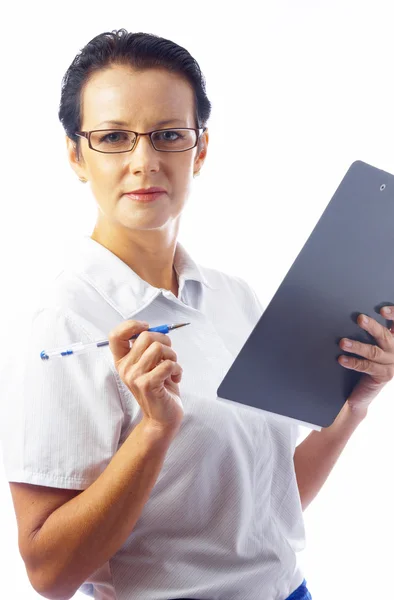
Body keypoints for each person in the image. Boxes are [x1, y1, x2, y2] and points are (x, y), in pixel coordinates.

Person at [3, 27, 393, 600]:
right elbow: (49, 574)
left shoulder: (233, 298)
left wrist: (354, 406)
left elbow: (263, 508)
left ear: (200, 149)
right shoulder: (64, 323)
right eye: (113, 137)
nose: (144, 161)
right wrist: (155, 430)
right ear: (76, 156)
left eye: (168, 135)